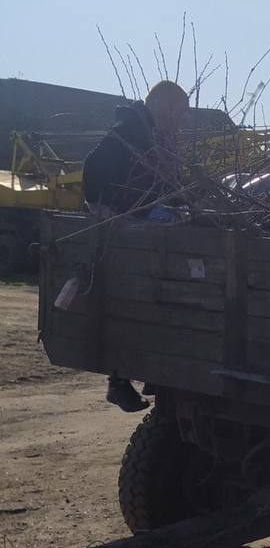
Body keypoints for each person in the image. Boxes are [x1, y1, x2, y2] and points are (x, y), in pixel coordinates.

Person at [82, 80, 191, 411]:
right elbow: (93, 170)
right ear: (164, 105)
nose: (180, 122)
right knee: (131, 302)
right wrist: (111, 211)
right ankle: (118, 381)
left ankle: (154, 371)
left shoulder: (156, 137)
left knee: (164, 294)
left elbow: (165, 186)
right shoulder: (129, 130)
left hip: (146, 229)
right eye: (178, 113)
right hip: (123, 233)